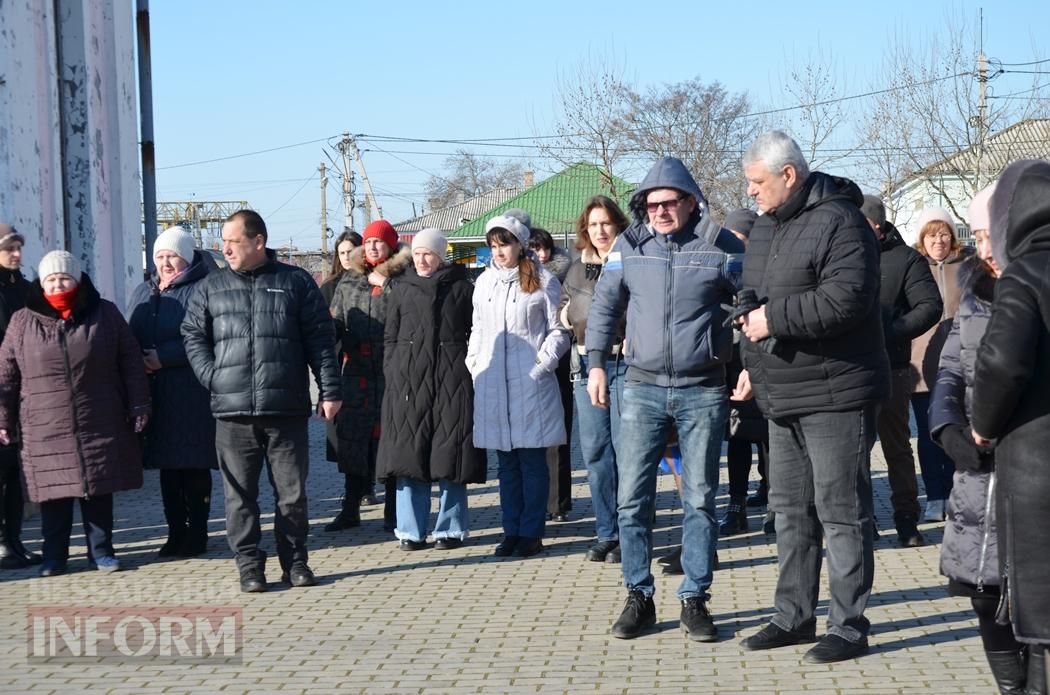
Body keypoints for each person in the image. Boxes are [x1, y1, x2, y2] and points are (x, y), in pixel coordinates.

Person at [735, 131, 889, 663]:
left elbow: (845, 301)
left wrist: (770, 319)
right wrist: (750, 355)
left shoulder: (842, 222)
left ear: (788, 176)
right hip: (782, 390)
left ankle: (848, 625)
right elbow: (754, 295)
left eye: (757, 183)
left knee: (840, 510)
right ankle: (792, 616)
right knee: (789, 510)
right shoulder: (762, 227)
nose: (750, 193)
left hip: (835, 393)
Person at [585, 156, 743, 642]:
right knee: (633, 500)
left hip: (703, 388)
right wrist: (594, 361)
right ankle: (639, 596)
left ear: (690, 202)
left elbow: (751, 303)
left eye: (669, 203)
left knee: (699, 498)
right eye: (651, 205)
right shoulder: (628, 246)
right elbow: (605, 306)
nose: (660, 212)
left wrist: (749, 368)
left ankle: (694, 598)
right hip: (641, 388)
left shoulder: (722, 245)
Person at [182, 209, 342, 593]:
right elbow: (192, 335)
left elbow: (320, 340)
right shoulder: (211, 286)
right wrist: (213, 377)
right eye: (223, 242)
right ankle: (250, 567)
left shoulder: (295, 282)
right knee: (239, 498)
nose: (225, 249)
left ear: (258, 242)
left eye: (232, 242)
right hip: (232, 413)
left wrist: (330, 390)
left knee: (292, 495)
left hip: (285, 409)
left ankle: (296, 563)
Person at [928, 181, 1043, 695]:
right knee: (983, 591)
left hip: (1027, 467)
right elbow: (950, 369)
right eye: (976, 236)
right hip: (977, 471)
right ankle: (1010, 687)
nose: (986, 246)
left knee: (1032, 597)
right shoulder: (975, 290)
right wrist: (948, 427)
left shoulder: (1033, 283)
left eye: (989, 232)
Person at [0, 251, 150, 576]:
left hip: (98, 417)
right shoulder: (21, 321)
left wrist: (139, 404)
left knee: (97, 490)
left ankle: (102, 552)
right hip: (44, 425)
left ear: (77, 279)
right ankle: (55, 557)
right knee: (54, 496)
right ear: (41, 283)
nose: (58, 284)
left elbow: (131, 361)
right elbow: (6, 374)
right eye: (51, 279)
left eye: (64, 277)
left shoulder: (105, 314)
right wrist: (3, 417)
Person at [971, 160, 1050, 692]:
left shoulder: (1027, 271)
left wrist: (982, 424)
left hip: (1037, 465)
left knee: (1044, 621)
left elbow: (1002, 362)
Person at [376, 228, 485, 550]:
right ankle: (410, 530)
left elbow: (476, 332)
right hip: (407, 383)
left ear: (441, 256)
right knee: (410, 456)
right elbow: (391, 336)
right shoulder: (400, 289)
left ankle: (449, 529)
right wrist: (393, 369)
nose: (423, 260)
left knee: (451, 456)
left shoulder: (463, 289)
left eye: (430, 254)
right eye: (419, 253)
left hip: (453, 381)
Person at [466, 214, 568, 559]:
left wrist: (543, 364)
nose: (498, 252)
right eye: (493, 246)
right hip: (493, 382)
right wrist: (475, 363)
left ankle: (531, 532)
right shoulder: (483, 283)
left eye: (504, 244)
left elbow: (558, 329)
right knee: (506, 463)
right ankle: (510, 530)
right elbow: (478, 329)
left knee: (532, 460)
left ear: (520, 244)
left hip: (530, 383)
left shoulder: (543, 280)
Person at [127, 227, 216, 558]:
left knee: (193, 467)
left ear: (187, 257)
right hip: (157, 395)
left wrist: (163, 357)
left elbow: (209, 335)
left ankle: (199, 533)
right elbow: (128, 331)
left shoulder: (204, 289)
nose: (165, 262)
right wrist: (136, 358)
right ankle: (175, 532)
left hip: (191, 392)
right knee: (168, 470)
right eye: (160, 256)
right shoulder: (143, 291)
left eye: (172, 256)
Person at [859, 195, 942, 547]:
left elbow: (929, 305)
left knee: (896, 447)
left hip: (892, 368)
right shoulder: (841, 255)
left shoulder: (905, 259)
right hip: (849, 370)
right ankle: (862, 522)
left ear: (878, 228)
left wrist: (892, 330)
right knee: (855, 450)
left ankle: (906, 517)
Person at [327, 220, 411, 532]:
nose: (374, 247)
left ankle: (393, 510)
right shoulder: (349, 280)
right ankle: (350, 508)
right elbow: (336, 317)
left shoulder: (405, 278)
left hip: (392, 373)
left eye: (380, 242)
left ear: (391, 245)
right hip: (356, 373)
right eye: (369, 242)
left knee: (390, 442)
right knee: (352, 442)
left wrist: (386, 284)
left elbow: (410, 317)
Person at [558, 195, 629, 562]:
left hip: (626, 365)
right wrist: (569, 315)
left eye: (606, 223)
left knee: (627, 452)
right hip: (585, 368)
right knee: (596, 452)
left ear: (618, 224)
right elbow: (561, 309)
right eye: (593, 224)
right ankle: (607, 532)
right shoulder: (575, 269)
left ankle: (632, 533)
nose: (600, 231)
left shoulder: (633, 261)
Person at [910, 207, 975, 523]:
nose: (939, 240)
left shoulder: (968, 267)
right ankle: (935, 496)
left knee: (958, 434)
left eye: (944, 233)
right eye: (932, 234)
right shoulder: (914, 267)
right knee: (927, 433)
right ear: (923, 238)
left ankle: (958, 495)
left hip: (960, 366)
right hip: (923, 366)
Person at [718, 208, 772, 538]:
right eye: (731, 238)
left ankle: (775, 501)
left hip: (762, 360)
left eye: (740, 238)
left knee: (768, 436)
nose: (734, 244)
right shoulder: (722, 268)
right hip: (731, 359)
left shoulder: (764, 270)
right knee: (736, 436)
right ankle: (735, 505)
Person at [523, 222, 575, 523]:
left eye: (542, 248)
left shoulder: (563, 277)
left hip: (559, 362)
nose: (538, 255)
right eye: (532, 249)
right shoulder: (516, 280)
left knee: (558, 436)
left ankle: (559, 503)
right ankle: (536, 501)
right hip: (527, 364)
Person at [0, 225, 39, 568]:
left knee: (16, 472)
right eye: (9, 249)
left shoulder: (26, 290)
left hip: (24, 393)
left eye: (18, 248)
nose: (16, 254)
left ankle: (13, 540)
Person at [319, 229, 362, 468]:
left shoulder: (372, 280)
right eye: (341, 252)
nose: (346, 257)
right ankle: (353, 487)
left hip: (367, 362)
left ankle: (368, 484)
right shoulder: (329, 288)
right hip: (339, 365)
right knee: (343, 431)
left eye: (350, 251)